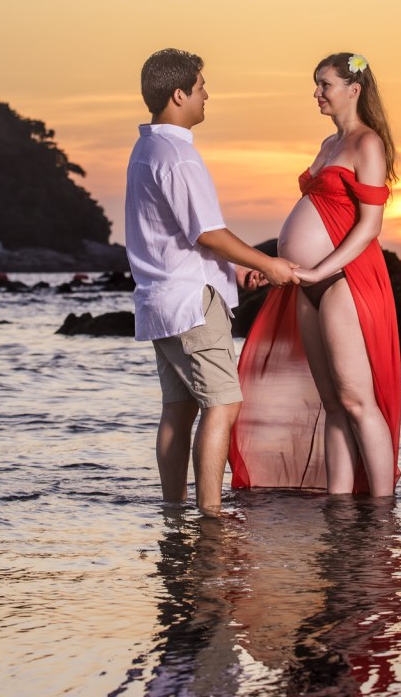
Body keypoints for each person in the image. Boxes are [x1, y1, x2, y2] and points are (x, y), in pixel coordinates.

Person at [126, 48, 300, 516]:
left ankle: (173, 510)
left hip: (159, 299)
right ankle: (210, 516)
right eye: (201, 86)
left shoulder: (145, 149)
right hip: (190, 304)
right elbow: (206, 232)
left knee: (178, 411)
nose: (207, 95)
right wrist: (267, 265)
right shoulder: (179, 155)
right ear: (179, 94)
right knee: (222, 406)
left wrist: (232, 271)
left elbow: (176, 235)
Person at [230, 52, 401, 496]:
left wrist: (319, 269)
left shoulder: (368, 144)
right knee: (333, 405)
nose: (317, 93)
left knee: (358, 402)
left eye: (324, 84)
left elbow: (369, 226)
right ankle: (339, 506)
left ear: (353, 90)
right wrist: (274, 269)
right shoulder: (328, 146)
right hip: (308, 282)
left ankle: (384, 511)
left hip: (348, 280)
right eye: (317, 84)